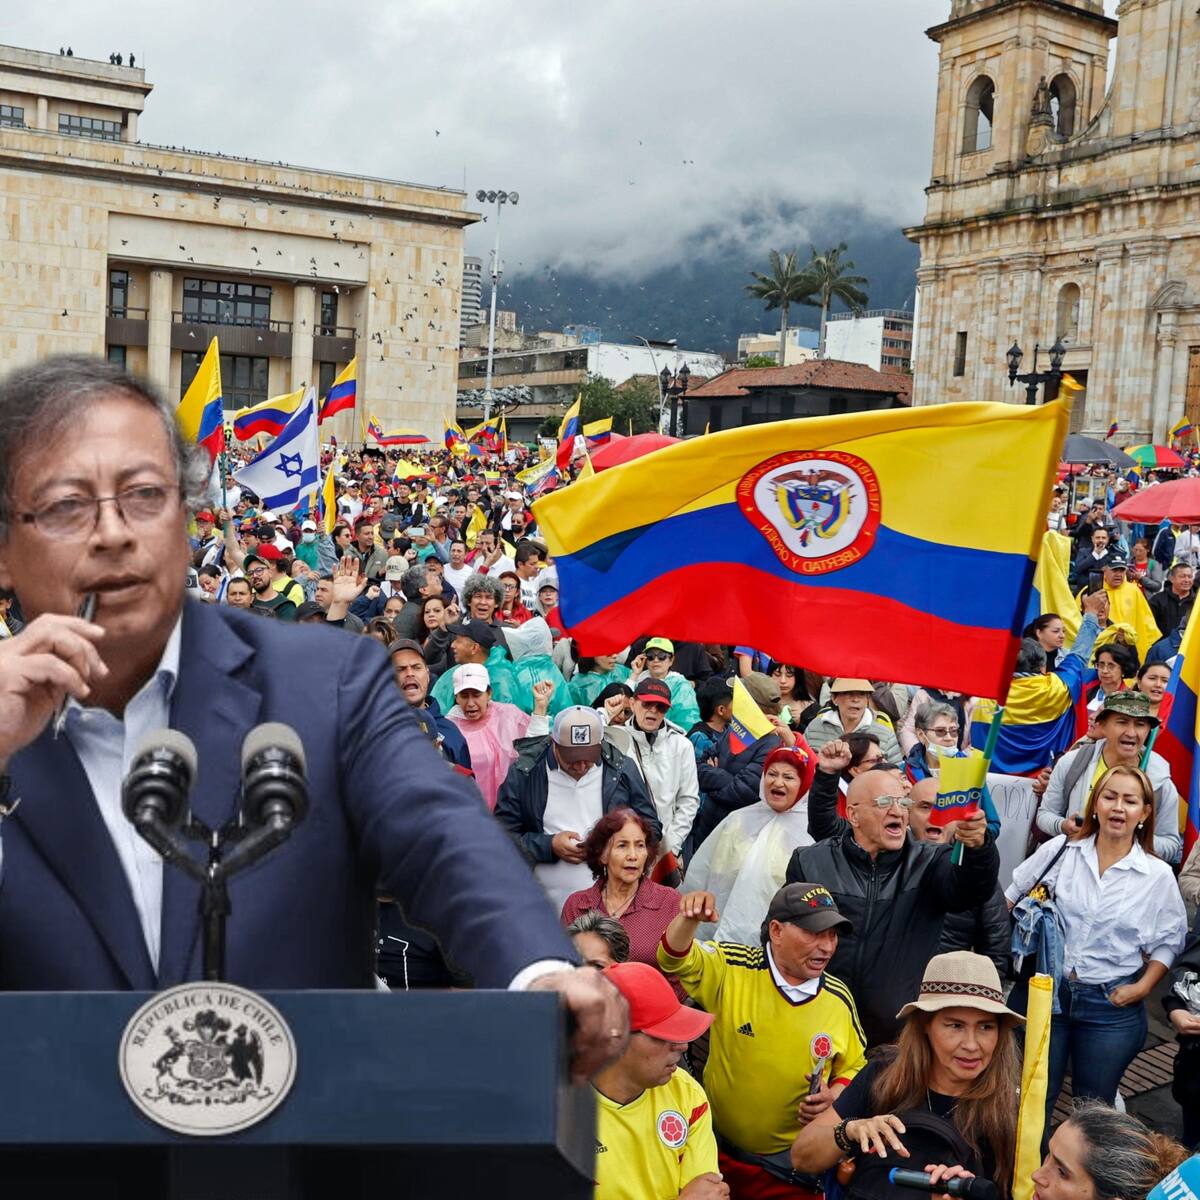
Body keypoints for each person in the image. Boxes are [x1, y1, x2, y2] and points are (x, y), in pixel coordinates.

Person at [0, 355, 626, 1080]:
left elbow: (440, 834)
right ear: (6, 551)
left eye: (144, 495)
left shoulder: (324, 683)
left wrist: (536, 972)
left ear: (185, 516)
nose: (113, 533)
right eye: (67, 506)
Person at [658, 884, 867, 1198]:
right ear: (777, 930)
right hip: (715, 1152)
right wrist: (689, 918)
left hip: (789, 1168)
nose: (826, 947)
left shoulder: (838, 998)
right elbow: (673, 959)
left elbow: (856, 1066)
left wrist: (834, 1095)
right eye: (814, 933)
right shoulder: (733, 968)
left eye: (833, 935)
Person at [1007, 765, 1188, 1113]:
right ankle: (1025, 1168)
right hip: (1047, 994)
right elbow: (1011, 896)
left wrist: (1143, 988)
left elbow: (1170, 941)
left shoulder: (1157, 876)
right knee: (1033, 1098)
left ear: (1145, 813)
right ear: (1094, 804)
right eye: (1110, 797)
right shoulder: (1062, 849)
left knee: (1094, 1107)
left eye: (1130, 801)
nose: (1118, 807)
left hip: (1110, 1007)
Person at [788, 753, 999, 1047]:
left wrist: (980, 848)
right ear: (853, 815)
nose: (898, 812)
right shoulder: (811, 861)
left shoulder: (929, 862)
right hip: (818, 1025)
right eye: (885, 803)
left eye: (904, 803)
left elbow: (970, 890)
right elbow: (783, 938)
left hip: (895, 1038)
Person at [790, 951, 1021, 1199]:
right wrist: (848, 1131)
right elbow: (802, 1157)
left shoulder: (1010, 1109)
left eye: (986, 1027)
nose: (972, 1045)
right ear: (924, 1025)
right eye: (955, 1025)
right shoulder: (884, 1073)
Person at [495, 708, 658, 911]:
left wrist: (612, 845)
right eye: (572, 759)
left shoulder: (621, 769)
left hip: (610, 910)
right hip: (542, 906)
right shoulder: (525, 772)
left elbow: (651, 828)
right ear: (554, 745)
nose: (581, 766)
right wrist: (549, 845)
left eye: (588, 758)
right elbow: (501, 837)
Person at [592, 962, 726, 1200]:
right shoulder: (554, 1113)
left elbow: (707, 1193)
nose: (682, 1045)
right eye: (661, 1034)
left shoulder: (687, 1094)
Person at [681, 746, 817, 947]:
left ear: (803, 784)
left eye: (788, 777)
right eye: (772, 774)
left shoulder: (810, 834)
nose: (778, 782)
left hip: (774, 945)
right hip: (716, 935)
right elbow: (704, 874)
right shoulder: (737, 820)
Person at [1035, 691, 1182, 863]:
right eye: (1122, 722)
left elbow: (1172, 845)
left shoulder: (1160, 782)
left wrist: (1131, 839)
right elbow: (1045, 815)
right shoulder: (1073, 763)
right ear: (1102, 725)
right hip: (1071, 869)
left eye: (1140, 724)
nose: (1131, 732)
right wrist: (1063, 826)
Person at [973, 592, 1104, 775]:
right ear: (1043, 665)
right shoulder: (1057, 688)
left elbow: (978, 749)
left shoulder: (987, 702)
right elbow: (1079, 654)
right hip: (1044, 783)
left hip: (994, 787)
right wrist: (1090, 613)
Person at [560, 808, 682, 979]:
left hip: (652, 1004)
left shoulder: (670, 902)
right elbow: (566, 967)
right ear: (602, 855)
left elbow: (682, 973)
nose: (633, 856)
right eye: (622, 846)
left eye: (640, 845)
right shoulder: (577, 905)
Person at [604, 678, 701, 870]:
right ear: (632, 703)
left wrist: (669, 848)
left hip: (663, 850)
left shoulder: (682, 744)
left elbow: (689, 800)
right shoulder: (614, 738)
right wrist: (606, 716)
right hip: (621, 848)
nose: (653, 711)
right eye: (647, 703)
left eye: (661, 707)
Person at [444, 663, 551, 810]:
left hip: (513, 809)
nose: (470, 703)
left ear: (489, 693)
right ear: (456, 697)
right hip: (472, 813)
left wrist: (540, 706)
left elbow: (535, 747)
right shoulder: (449, 728)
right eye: (464, 696)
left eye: (476, 695)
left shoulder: (508, 715)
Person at [388, 638, 470, 769]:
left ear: (427, 675)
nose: (409, 673)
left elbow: (467, 786)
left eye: (416, 667)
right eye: (400, 669)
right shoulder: (375, 732)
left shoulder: (450, 732)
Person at [428, 615, 520, 712]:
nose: (452, 645)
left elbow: (508, 719)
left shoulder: (500, 680)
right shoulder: (454, 671)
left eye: (458, 641)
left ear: (474, 648)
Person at [804, 679, 901, 765]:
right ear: (834, 698)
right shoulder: (815, 726)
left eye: (862, 694)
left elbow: (896, 772)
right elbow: (801, 762)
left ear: (868, 699)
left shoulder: (885, 733)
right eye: (848, 693)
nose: (855, 699)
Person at [629, 638, 701, 731]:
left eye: (661, 656)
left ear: (671, 660)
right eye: (650, 656)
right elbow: (625, 707)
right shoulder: (637, 678)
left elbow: (686, 723)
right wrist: (634, 674)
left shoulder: (681, 685)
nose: (655, 660)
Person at [244, 553, 298, 620]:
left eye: (259, 570)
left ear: (270, 573)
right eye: (250, 573)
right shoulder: (246, 602)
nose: (254, 575)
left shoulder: (286, 606)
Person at [1150, 562, 1194, 639]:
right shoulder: (1157, 600)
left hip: (1189, 647)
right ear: (1172, 579)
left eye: (1190, 577)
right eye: (1182, 576)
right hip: (1162, 647)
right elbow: (1148, 626)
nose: (1187, 580)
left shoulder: (1197, 602)